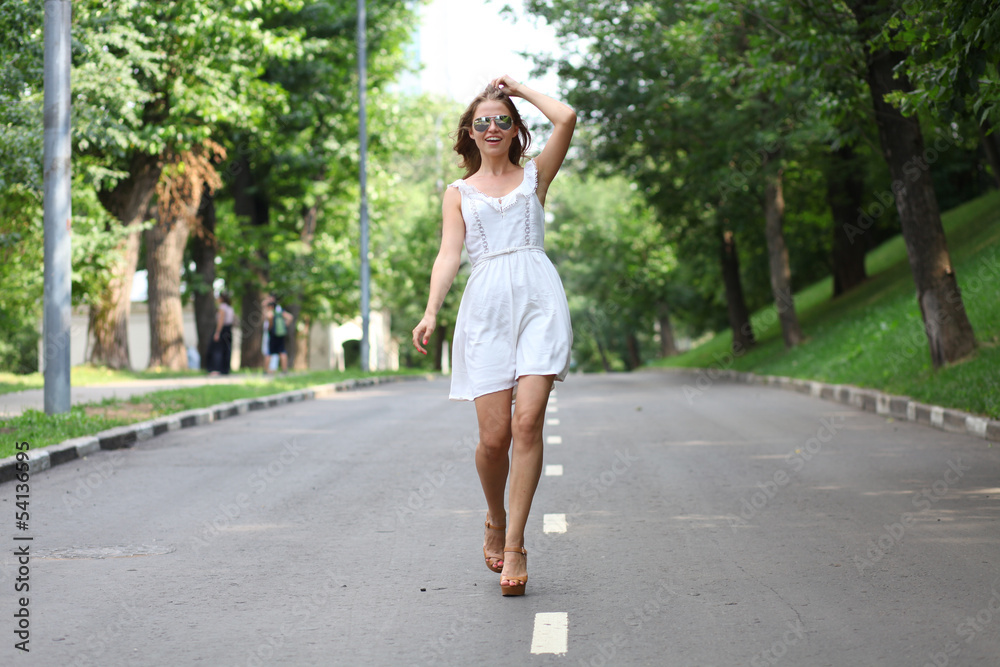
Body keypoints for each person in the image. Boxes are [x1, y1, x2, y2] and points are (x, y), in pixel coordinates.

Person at [412, 75, 576, 596]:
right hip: (484, 310)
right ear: (470, 131)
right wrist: (431, 310)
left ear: (514, 130)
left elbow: (567, 118)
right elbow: (448, 254)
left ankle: (515, 546)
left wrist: (519, 89)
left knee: (527, 422)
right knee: (493, 438)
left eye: (501, 120)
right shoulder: (458, 193)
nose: (491, 127)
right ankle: (494, 515)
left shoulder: (535, 178)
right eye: (482, 121)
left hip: (538, 303)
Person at [264, 296, 293, 374]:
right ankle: (284, 370)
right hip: (281, 334)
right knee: (282, 352)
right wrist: (284, 326)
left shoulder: (270, 313)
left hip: (273, 335)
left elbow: (269, 325)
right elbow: (290, 317)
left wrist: (270, 329)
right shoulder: (280, 311)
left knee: (269, 352)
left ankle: (265, 371)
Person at [208, 292, 235, 376]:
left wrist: (217, 332)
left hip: (223, 329)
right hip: (229, 329)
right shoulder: (230, 308)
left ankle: (216, 369)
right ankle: (225, 369)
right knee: (227, 349)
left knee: (217, 349)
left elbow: (221, 320)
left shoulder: (222, 307)